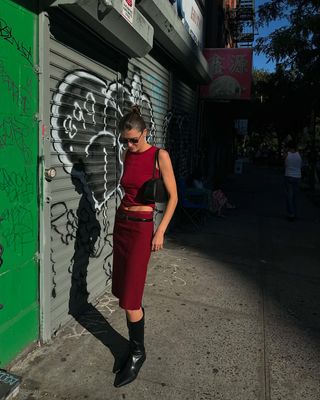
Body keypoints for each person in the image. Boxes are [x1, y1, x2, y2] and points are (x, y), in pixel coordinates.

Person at [112, 106, 178, 388]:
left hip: (141, 229)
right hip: (122, 224)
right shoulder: (128, 153)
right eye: (124, 140)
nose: (128, 144)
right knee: (122, 290)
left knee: (131, 297)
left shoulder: (159, 155)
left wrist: (160, 231)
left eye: (133, 139)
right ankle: (132, 346)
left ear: (145, 132)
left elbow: (174, 197)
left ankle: (138, 352)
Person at [284, 140, 302, 221]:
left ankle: (291, 213)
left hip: (289, 176)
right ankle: (295, 212)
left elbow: (285, 164)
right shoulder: (299, 155)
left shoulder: (287, 154)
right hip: (298, 176)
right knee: (295, 196)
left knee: (289, 196)